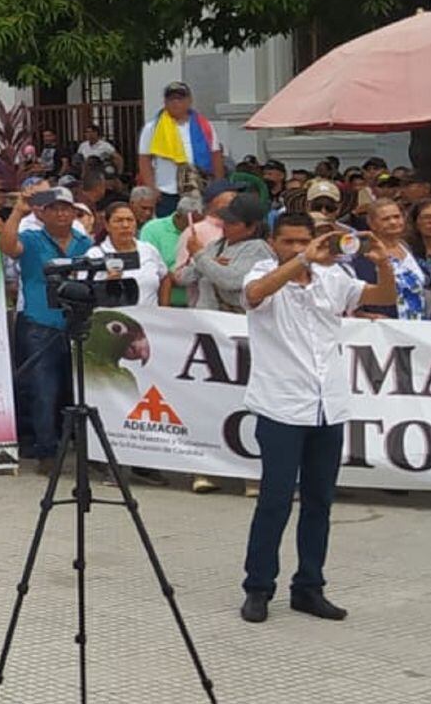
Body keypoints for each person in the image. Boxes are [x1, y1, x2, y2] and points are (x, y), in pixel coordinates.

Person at [238, 213, 394, 624]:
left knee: (320, 501)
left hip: (329, 404)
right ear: (273, 242)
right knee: (274, 500)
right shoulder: (263, 272)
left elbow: (380, 294)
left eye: (303, 240)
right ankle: (258, 586)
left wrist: (382, 261)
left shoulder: (333, 277)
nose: (297, 247)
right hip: (281, 406)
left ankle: (309, 586)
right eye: (288, 241)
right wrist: (303, 260)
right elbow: (255, 294)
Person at [0, 188, 92, 470]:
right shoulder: (31, 238)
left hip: (75, 324)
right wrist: (17, 212)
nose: (62, 213)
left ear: (75, 212)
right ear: (44, 213)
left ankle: (72, 448)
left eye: (67, 208)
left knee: (72, 390)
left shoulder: (84, 242)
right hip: (40, 324)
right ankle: (47, 453)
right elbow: (7, 246)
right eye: (55, 208)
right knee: (43, 390)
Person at [137, 82, 225, 217]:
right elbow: (144, 159)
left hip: (198, 188)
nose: (175, 103)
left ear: (189, 101)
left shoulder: (204, 126)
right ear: (165, 102)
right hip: (166, 191)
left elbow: (216, 155)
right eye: (171, 99)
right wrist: (152, 188)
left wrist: (218, 188)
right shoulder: (152, 127)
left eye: (180, 98)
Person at [353, 200, 431, 320]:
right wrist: (363, 315)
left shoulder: (409, 248)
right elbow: (355, 295)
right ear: (372, 224)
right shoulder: (366, 255)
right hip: (384, 328)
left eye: (397, 217)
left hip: (418, 325)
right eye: (386, 219)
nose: (393, 222)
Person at [84, 203, 163, 306]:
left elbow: (164, 276)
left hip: (150, 318)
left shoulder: (148, 250)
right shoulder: (94, 255)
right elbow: (85, 293)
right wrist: (107, 284)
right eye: (118, 221)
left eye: (130, 220)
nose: (125, 225)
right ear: (107, 226)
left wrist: (163, 308)